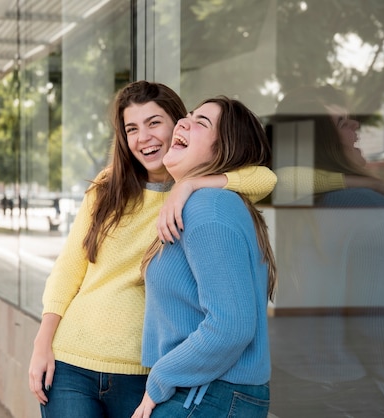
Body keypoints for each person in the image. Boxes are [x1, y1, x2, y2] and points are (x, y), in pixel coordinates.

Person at [28, 81, 277, 418]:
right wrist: (42, 342)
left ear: (177, 125)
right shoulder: (108, 187)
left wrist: (189, 185)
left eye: (154, 123)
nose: (142, 137)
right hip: (73, 358)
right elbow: (70, 266)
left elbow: (265, 178)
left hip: (142, 370)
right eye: (132, 128)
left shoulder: (198, 198)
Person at [131, 96, 276, 418]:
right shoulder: (212, 201)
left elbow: (232, 326)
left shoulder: (207, 207)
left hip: (207, 392)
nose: (183, 122)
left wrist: (160, 378)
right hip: (209, 389)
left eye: (201, 123)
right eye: (189, 116)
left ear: (225, 149)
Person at [268, 85, 384, 416]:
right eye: (343, 121)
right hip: (341, 389)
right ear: (320, 138)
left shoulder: (276, 202)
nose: (356, 126)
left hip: (279, 380)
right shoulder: (365, 206)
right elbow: (373, 321)